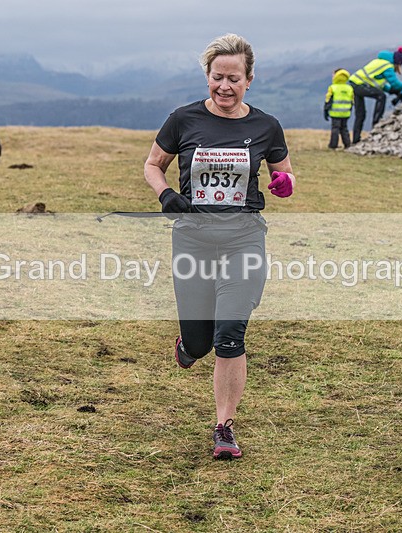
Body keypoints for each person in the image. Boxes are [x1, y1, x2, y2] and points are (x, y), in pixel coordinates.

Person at [143, 34, 295, 460]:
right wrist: (165, 195)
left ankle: (223, 426)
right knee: (201, 340)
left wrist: (283, 183)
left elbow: (285, 175)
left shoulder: (265, 126)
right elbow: (153, 164)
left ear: (249, 80)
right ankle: (189, 347)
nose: (224, 87)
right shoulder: (183, 119)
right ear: (207, 76)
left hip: (244, 238)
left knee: (230, 333)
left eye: (233, 78)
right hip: (192, 239)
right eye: (216, 78)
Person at [348, 47, 402, 144]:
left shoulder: (380, 62)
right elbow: (395, 84)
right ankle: (376, 123)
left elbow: (378, 83)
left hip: (354, 83)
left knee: (360, 114)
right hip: (359, 85)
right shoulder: (387, 66)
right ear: (398, 63)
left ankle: (355, 140)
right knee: (381, 96)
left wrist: (392, 91)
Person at [324, 68, 353, 149]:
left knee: (335, 129)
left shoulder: (333, 87)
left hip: (335, 113)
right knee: (344, 128)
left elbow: (328, 100)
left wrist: (326, 110)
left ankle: (333, 145)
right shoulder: (349, 88)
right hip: (346, 113)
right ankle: (347, 144)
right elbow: (352, 101)